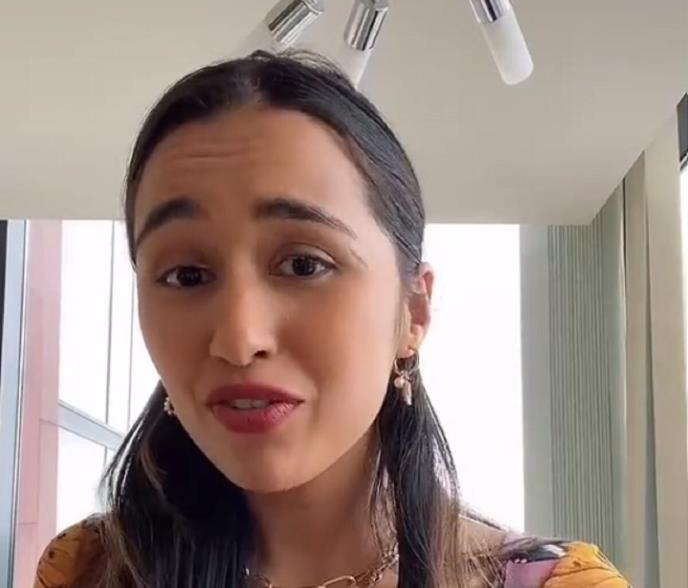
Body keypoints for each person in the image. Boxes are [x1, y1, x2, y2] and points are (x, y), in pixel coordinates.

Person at [33, 51, 629, 588]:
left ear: (413, 310)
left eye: (303, 264)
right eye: (186, 275)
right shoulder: (91, 571)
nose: (239, 340)